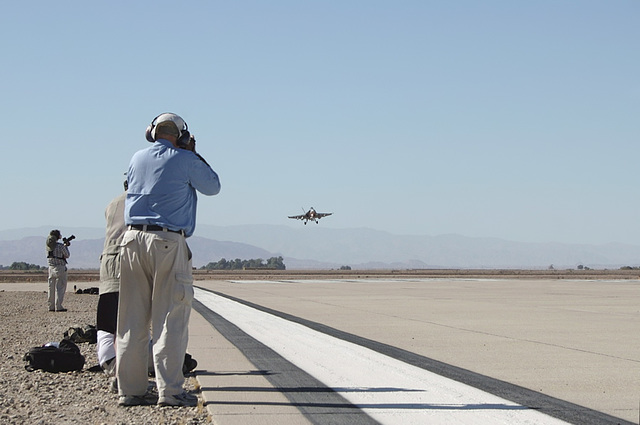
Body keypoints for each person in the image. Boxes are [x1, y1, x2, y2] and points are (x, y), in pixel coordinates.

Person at [116, 113, 220, 407]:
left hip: (132, 241)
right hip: (167, 241)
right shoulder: (185, 160)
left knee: (131, 321)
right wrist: (193, 153)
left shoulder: (136, 158)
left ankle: (131, 390)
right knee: (170, 320)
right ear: (182, 136)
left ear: (151, 132)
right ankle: (171, 392)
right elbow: (213, 186)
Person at [46, 229, 70, 312]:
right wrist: (66, 246)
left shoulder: (48, 247)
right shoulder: (60, 246)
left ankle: (51, 306)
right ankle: (58, 306)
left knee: (51, 288)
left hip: (51, 268)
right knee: (60, 287)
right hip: (60, 268)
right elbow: (67, 255)